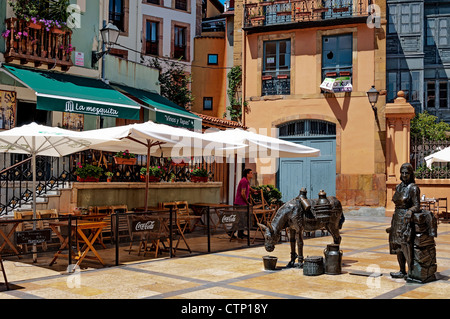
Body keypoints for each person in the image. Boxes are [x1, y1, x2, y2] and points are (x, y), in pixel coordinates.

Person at [388, 163, 421, 279]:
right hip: (397, 218)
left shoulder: (413, 188)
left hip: (406, 220)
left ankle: (411, 271)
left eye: (407, 173)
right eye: (402, 172)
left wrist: (410, 211)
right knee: (397, 247)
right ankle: (402, 270)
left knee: (406, 246)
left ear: (411, 174)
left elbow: (417, 205)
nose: (404, 175)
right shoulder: (399, 187)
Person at [231, 168, 258, 238]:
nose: (252, 174)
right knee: (241, 218)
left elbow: (248, 188)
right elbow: (242, 193)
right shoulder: (244, 181)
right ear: (247, 174)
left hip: (241, 203)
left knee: (242, 218)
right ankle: (231, 232)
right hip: (240, 203)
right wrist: (247, 202)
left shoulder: (246, 181)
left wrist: (253, 190)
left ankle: (240, 233)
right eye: (251, 173)